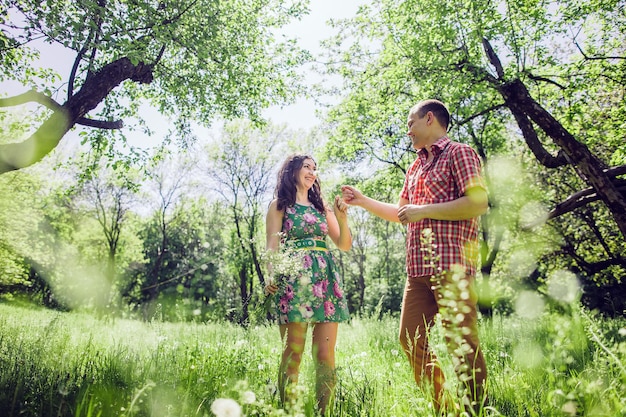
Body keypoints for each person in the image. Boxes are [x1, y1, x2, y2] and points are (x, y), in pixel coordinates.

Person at [341, 99, 489, 414]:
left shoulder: (459, 153)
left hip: (452, 266)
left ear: (430, 119)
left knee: (461, 345)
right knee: (410, 339)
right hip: (417, 272)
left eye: (411, 123)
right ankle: (445, 408)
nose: (408, 131)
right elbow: (403, 214)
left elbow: (478, 203)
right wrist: (364, 201)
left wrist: (424, 211)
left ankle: (476, 410)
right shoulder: (414, 167)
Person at [265, 153, 352, 416]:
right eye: (306, 167)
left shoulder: (322, 207)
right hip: (293, 283)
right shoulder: (279, 206)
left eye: (315, 168)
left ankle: (323, 412)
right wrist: (271, 275)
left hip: (325, 282)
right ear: (292, 171)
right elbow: (272, 248)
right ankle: (289, 411)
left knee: (325, 356)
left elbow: (344, 244)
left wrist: (341, 216)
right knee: (293, 355)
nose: (312, 172)